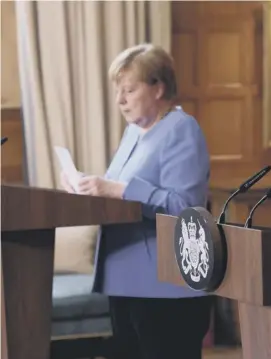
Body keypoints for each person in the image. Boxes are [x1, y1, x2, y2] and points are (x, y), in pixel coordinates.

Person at [60, 43, 213, 359]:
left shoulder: (182, 129)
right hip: (122, 277)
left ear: (158, 88)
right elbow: (120, 193)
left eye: (129, 89)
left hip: (164, 285)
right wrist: (88, 188)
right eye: (118, 90)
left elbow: (185, 208)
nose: (120, 100)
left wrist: (119, 189)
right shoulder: (133, 132)